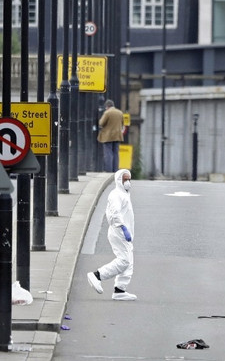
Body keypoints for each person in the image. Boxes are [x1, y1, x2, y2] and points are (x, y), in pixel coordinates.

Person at [86, 169, 137, 301]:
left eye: (129, 179)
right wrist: (122, 227)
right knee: (124, 260)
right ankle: (97, 275)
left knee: (128, 261)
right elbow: (115, 213)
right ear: (119, 180)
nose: (128, 182)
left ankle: (120, 290)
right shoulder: (116, 195)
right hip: (118, 231)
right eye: (125, 179)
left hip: (124, 232)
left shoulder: (124, 194)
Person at [97, 99, 124, 172]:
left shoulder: (107, 113)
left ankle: (108, 170)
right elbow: (122, 123)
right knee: (116, 153)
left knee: (108, 153)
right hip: (118, 135)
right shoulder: (120, 113)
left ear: (107, 106)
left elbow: (101, 123)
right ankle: (115, 170)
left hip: (108, 136)